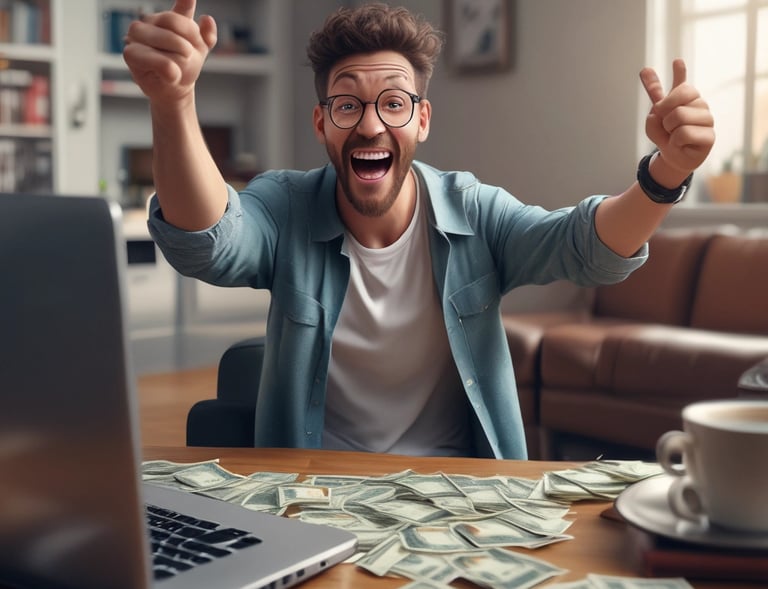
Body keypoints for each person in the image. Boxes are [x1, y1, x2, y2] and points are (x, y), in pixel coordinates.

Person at [123, 1, 714, 459]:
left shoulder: (474, 211)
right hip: (314, 488)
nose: (372, 125)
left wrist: (667, 173)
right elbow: (211, 243)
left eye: (395, 104)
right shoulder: (286, 206)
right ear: (321, 123)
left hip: (458, 487)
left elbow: (582, 248)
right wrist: (173, 102)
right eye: (349, 105)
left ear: (422, 120)